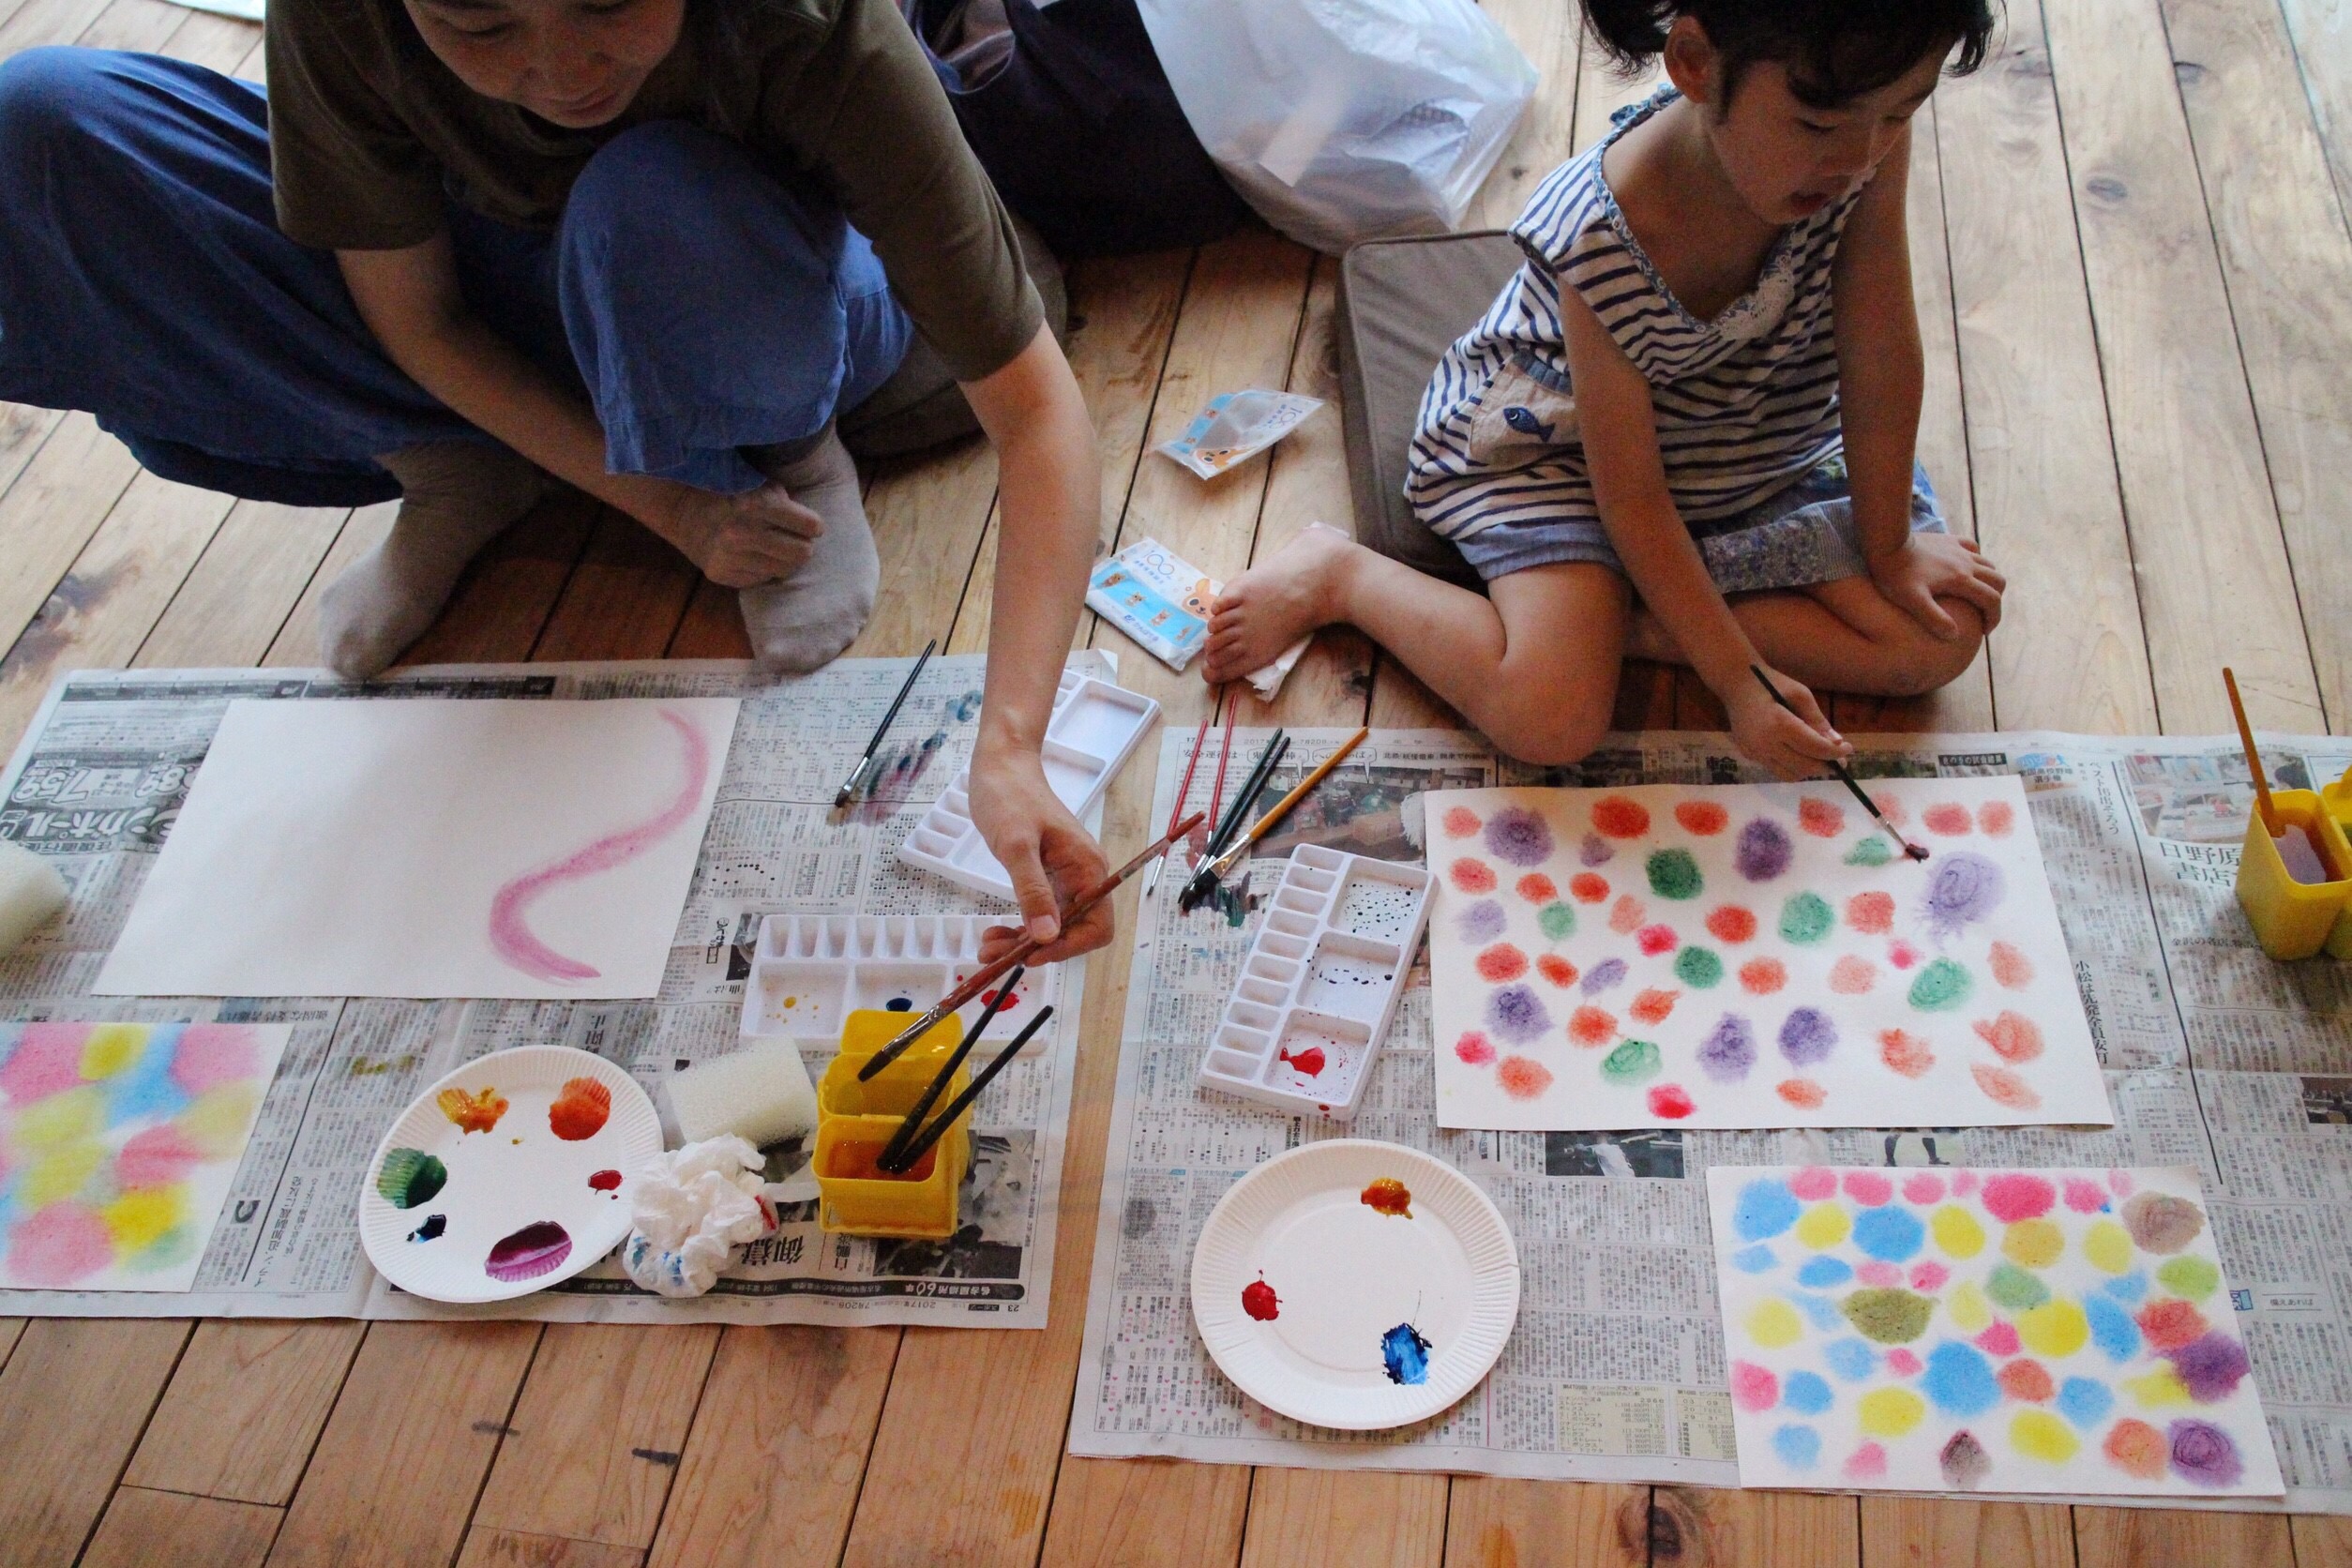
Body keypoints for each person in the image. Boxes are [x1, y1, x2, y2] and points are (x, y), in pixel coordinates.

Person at [0, 0, 1112, 960]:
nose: (564, 68)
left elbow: (1035, 411)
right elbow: (419, 321)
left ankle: (779, 445)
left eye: (609, 4)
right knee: (46, 128)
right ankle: (463, 457)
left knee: (650, 195)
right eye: (480, 27)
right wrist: (675, 512)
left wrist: (1010, 746)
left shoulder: (813, 25)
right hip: (498, 288)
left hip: (751, 285)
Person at [1204, 0, 2008, 779]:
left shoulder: (1861, 135)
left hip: (1750, 426)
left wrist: (1889, 548)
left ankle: (1634, 622)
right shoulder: (1601, 229)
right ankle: (1344, 576)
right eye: (1818, 126)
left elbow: (1879, 348)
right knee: (1552, 718)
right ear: (1695, 64)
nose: (1859, 157)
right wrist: (1737, 679)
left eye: (1900, 113)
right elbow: (1631, 494)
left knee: (1940, 637)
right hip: (1563, 448)